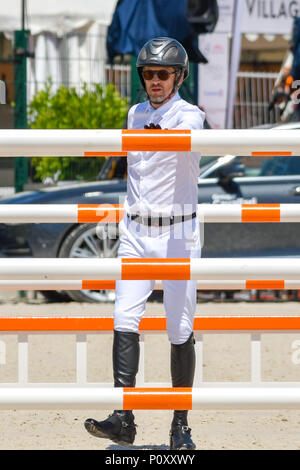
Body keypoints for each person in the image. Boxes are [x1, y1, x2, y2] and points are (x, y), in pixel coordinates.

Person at [84, 37, 205, 450]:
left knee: (180, 328)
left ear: (178, 77)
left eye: (162, 74)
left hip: (178, 233)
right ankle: (124, 417)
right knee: (123, 319)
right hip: (136, 230)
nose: (154, 80)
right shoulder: (134, 112)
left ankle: (180, 424)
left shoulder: (191, 116)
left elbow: (175, 142)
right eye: (149, 73)